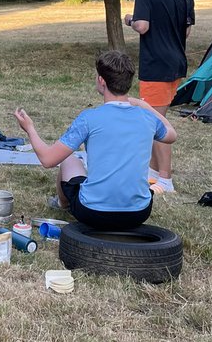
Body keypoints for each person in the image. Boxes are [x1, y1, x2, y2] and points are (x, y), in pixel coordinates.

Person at [14, 50, 176, 230]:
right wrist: (144, 106)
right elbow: (171, 134)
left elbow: (47, 159)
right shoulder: (147, 118)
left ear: (101, 80)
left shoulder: (89, 118)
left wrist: (30, 129)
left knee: (68, 159)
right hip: (139, 213)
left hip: (93, 212)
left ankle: (63, 204)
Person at [124, 0, 195, 192]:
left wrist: (130, 20)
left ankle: (165, 178)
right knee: (154, 118)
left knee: (156, 123)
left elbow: (142, 26)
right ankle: (153, 172)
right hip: (176, 63)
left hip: (156, 65)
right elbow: (186, 32)